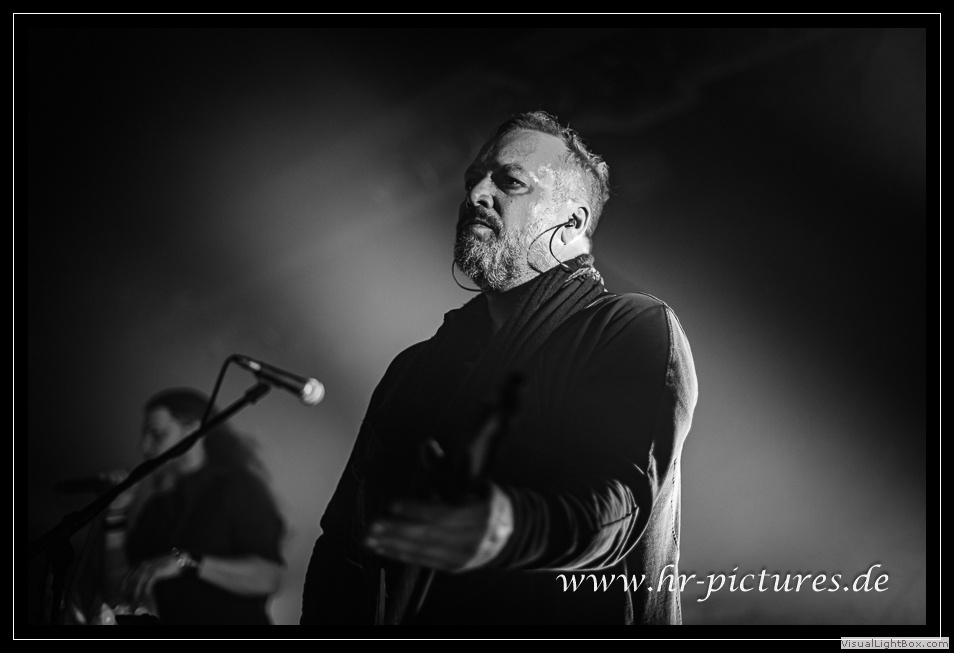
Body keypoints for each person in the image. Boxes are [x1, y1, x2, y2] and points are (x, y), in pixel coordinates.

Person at [300, 111, 698, 625]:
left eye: (510, 182)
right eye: (473, 180)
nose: (475, 194)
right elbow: (343, 543)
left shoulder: (629, 327)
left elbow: (617, 506)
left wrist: (508, 527)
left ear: (573, 223)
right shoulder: (416, 369)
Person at [95, 388, 286, 625]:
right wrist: (116, 513)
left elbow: (270, 578)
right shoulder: (158, 507)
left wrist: (187, 562)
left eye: (157, 434)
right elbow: (120, 592)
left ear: (193, 430)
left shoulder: (238, 486)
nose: (144, 446)